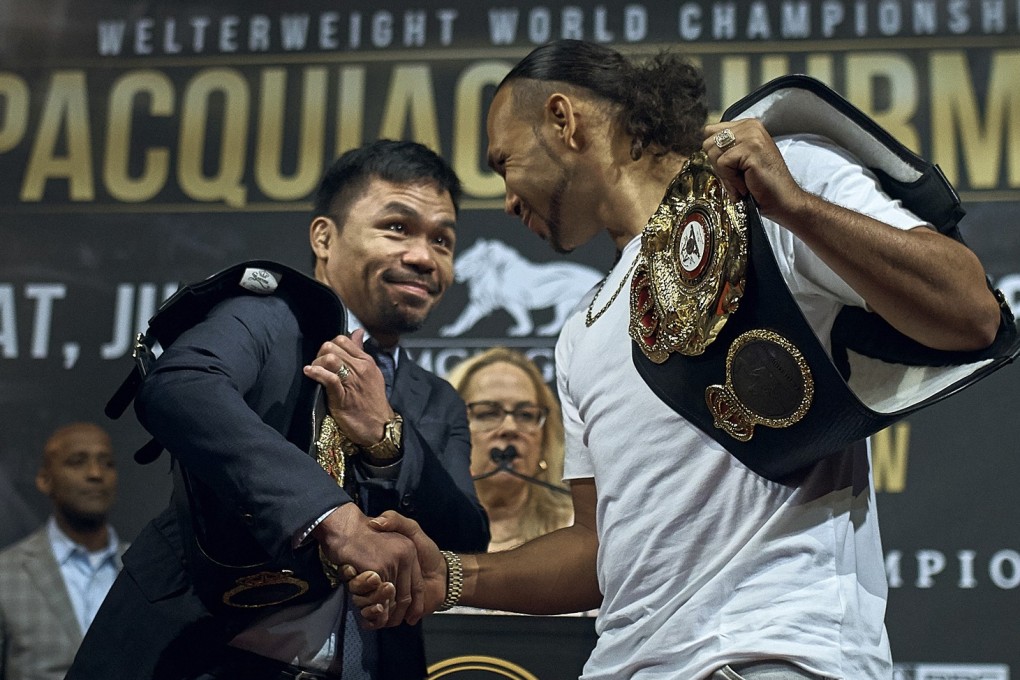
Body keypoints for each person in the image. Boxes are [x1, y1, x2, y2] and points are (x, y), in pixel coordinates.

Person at [352, 40, 1006, 679]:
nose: (507, 198)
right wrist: (455, 575)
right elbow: (597, 549)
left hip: (769, 652)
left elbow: (970, 311)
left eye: (504, 161)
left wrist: (794, 207)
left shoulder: (773, 175)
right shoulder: (582, 328)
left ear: (562, 119)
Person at [65, 140, 489, 680]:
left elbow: (467, 540)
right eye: (397, 228)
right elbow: (179, 385)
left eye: (443, 241)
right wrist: (331, 517)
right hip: (199, 656)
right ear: (324, 237)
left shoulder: (437, 399)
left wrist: (388, 442)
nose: (424, 257)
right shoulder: (269, 317)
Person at [0, 422, 125, 680]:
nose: (95, 473)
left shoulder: (148, 571)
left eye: (107, 463)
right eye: (77, 461)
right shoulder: (5, 575)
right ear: (45, 479)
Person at [445, 348, 572, 552]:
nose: (510, 428)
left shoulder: (577, 530)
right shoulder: (424, 529)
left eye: (526, 415)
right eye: (487, 413)